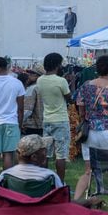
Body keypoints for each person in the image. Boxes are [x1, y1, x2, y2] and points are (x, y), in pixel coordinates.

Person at [74, 55, 108, 198]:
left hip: (89, 132)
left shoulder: (85, 86)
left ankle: (75, 201)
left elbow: (81, 109)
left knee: (88, 171)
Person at [0, 135, 101, 208]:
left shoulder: (5, 176)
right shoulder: (50, 177)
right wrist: (89, 201)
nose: (46, 153)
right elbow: (65, 203)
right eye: (44, 150)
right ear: (34, 157)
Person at [36, 52, 72, 183]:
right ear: (57, 65)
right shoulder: (61, 81)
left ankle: (44, 181)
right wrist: (71, 82)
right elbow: (70, 98)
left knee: (46, 154)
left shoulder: (40, 80)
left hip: (47, 120)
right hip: (61, 120)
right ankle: (60, 183)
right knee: (61, 155)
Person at [22, 65, 45, 136]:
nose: (29, 75)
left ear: (39, 76)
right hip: (43, 124)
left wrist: (20, 122)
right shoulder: (44, 87)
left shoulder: (32, 88)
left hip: (31, 125)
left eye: (32, 74)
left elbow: (27, 110)